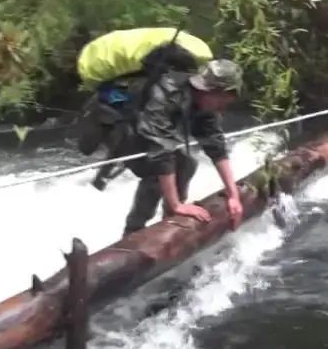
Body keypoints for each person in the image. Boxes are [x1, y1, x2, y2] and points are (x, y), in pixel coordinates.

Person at [113, 58, 245, 236]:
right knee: (157, 173)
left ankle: (170, 222)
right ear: (215, 91)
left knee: (187, 163)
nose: (223, 107)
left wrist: (233, 195)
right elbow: (161, 150)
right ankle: (133, 232)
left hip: (152, 133)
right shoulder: (166, 94)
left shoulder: (206, 104)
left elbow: (216, 145)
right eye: (222, 101)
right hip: (122, 129)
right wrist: (177, 205)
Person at [74, 27, 214, 190]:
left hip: (128, 123)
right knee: (150, 161)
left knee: (182, 162)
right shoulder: (136, 84)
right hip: (107, 119)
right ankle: (103, 185)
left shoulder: (163, 86)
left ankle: (173, 205)